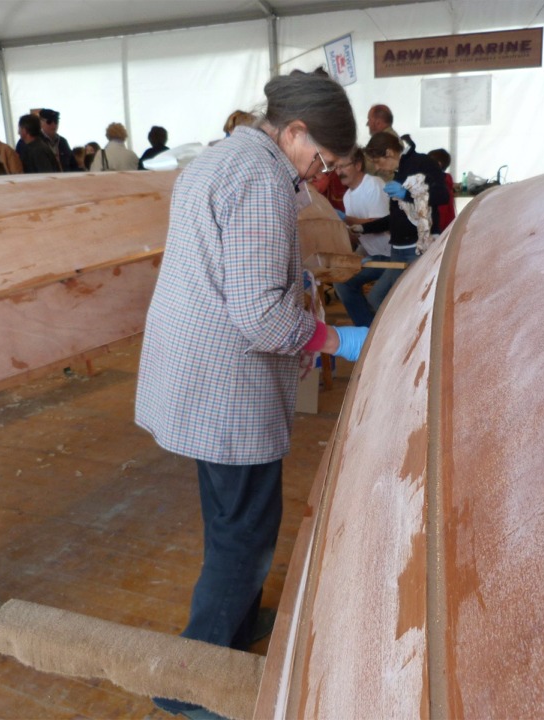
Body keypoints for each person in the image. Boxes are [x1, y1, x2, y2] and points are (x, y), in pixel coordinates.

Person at [134, 70, 367, 719]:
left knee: (231, 515)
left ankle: (233, 627)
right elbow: (263, 317)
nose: (319, 172)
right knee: (248, 531)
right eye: (319, 156)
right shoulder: (262, 178)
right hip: (223, 382)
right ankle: (191, 676)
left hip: (197, 369)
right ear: (293, 131)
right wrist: (335, 340)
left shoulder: (223, 155)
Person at [354, 132, 448, 322]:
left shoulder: (422, 163)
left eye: (378, 162)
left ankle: (411, 340)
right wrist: (364, 228)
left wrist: (407, 194)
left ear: (389, 152)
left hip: (418, 249)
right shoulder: (398, 172)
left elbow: (441, 195)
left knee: (413, 303)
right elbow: (396, 217)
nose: (378, 168)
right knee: (377, 297)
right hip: (397, 250)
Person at [332, 147, 393, 327]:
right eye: (336, 168)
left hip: (392, 255)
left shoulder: (373, 184)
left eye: (343, 166)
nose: (339, 172)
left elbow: (379, 223)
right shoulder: (348, 197)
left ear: (358, 165)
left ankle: (380, 334)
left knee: (376, 297)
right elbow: (357, 236)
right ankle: (367, 331)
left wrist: (347, 219)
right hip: (374, 256)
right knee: (342, 281)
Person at [427, 148, 457, 230]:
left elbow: (441, 214)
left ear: (438, 165)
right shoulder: (445, 180)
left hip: (440, 231)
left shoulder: (440, 187)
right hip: (447, 228)